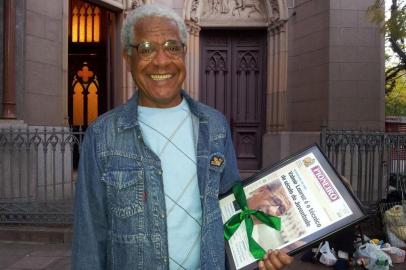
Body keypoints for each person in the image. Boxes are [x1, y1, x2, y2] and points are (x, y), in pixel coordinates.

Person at [72, 4, 293, 270]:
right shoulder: (101, 135)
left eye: (172, 47)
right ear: (127, 58)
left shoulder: (215, 126)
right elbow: (89, 239)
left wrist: (264, 252)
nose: (161, 60)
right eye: (146, 49)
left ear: (184, 53)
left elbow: (234, 213)